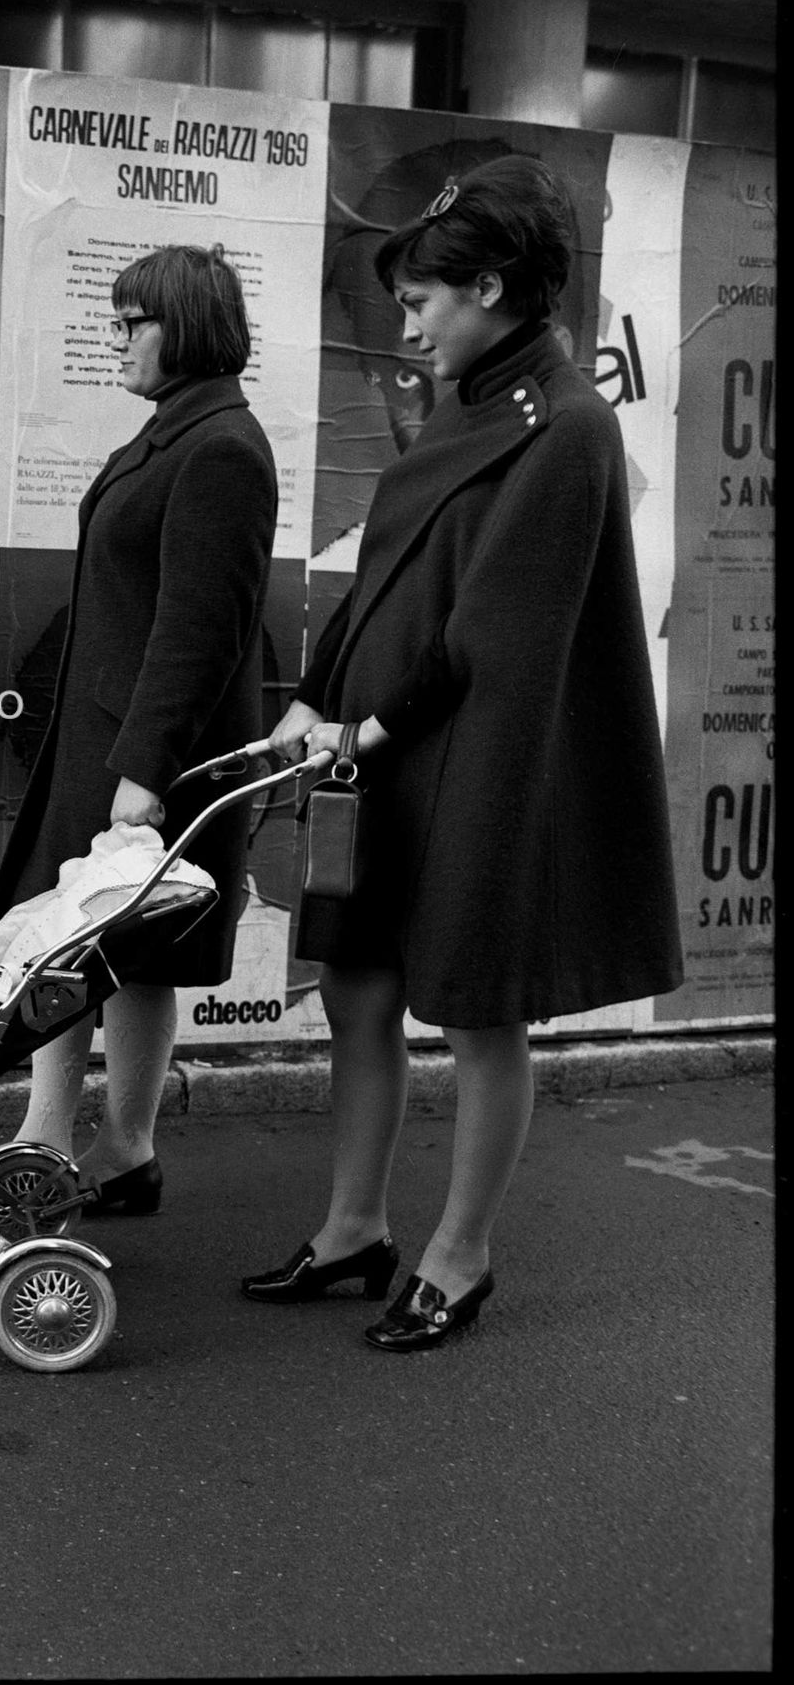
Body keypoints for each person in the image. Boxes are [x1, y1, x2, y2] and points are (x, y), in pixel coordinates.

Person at [247, 154, 682, 1351]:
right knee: (356, 989)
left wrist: (358, 727)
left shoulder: (567, 424)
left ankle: (459, 1253)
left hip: (469, 761)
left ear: (488, 286)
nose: (405, 327)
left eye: (420, 302)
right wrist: (311, 701)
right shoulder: (472, 399)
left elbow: (493, 632)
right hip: (381, 751)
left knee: (480, 1014)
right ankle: (352, 1230)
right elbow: (390, 570)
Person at [0, 245, 279, 1217]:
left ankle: (77, 1145)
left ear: (184, 326)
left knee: (93, 946)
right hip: (108, 744)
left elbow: (201, 630)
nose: (115, 338)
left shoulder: (220, 447)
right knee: (102, 950)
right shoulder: (177, 433)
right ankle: (107, 1148)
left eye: (132, 322)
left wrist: (145, 772)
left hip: (144, 756)